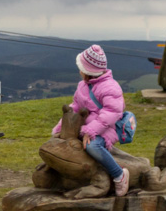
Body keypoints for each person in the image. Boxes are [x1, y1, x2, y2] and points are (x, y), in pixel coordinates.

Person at [52, 44, 129, 196]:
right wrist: (61, 127)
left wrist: (91, 131)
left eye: (81, 67)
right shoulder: (82, 86)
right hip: (88, 127)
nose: (79, 71)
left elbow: (112, 112)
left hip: (107, 128)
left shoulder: (110, 87)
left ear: (87, 71)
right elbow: (74, 107)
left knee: (92, 147)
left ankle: (119, 175)